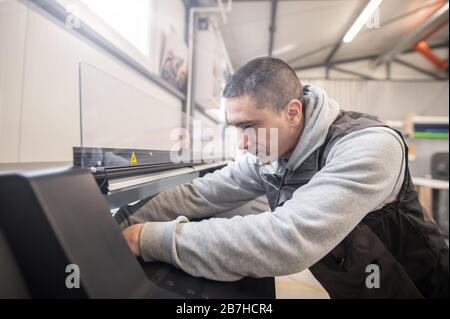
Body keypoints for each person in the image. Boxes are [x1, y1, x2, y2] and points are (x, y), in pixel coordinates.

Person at [117, 57, 448, 298]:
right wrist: (120, 224)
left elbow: (286, 239)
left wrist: (147, 239)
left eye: (249, 126)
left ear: (292, 112)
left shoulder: (370, 146)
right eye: (235, 128)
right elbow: (201, 193)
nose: (242, 143)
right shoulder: (272, 154)